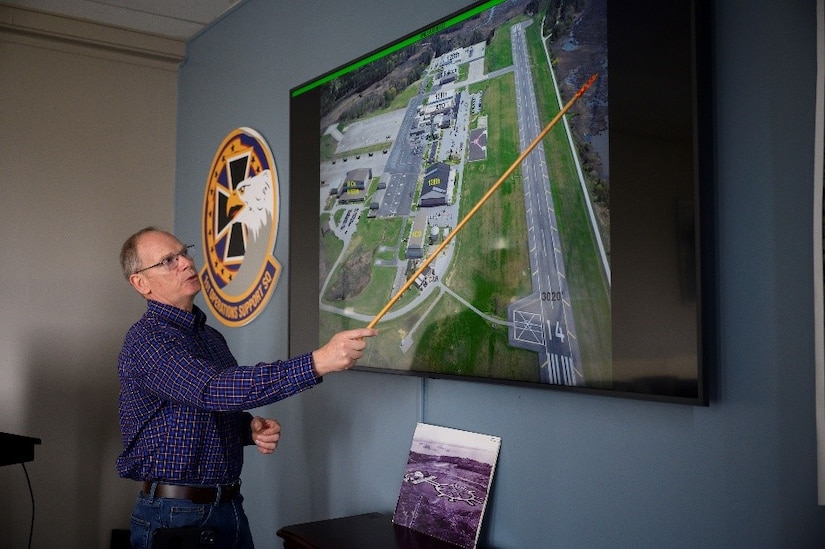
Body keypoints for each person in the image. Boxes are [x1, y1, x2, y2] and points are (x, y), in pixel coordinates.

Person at [116, 227, 377, 548]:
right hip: (176, 516)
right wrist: (317, 362)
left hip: (228, 508)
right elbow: (212, 389)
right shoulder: (147, 340)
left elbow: (204, 408)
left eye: (184, 252)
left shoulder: (209, 338)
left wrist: (247, 428)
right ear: (141, 283)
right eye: (169, 260)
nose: (186, 262)